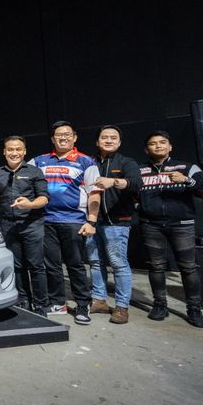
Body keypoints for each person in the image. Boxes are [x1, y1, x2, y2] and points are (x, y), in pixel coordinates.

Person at [138, 131, 203, 328]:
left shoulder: (187, 167)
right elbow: (131, 195)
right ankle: (160, 305)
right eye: (153, 143)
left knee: (188, 267)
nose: (158, 146)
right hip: (151, 224)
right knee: (156, 266)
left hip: (182, 224)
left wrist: (187, 180)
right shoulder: (140, 170)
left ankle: (194, 310)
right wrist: (140, 207)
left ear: (170, 146)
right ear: (146, 149)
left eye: (162, 142)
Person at [30, 121, 101, 324]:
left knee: (75, 265)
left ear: (75, 137)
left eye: (67, 134)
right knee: (51, 266)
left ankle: (82, 304)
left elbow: (95, 193)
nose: (63, 137)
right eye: (59, 134)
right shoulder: (39, 161)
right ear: (52, 139)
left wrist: (91, 221)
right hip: (45, 220)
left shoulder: (86, 162)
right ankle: (57, 302)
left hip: (74, 221)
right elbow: (20, 175)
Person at [0, 136, 49, 316]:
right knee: (17, 266)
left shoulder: (35, 172)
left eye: (18, 149)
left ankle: (41, 305)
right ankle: (23, 300)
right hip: (8, 225)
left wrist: (30, 204)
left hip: (32, 224)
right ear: (4, 152)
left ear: (24, 151)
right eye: (10, 149)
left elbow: (44, 198)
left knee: (36, 266)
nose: (14, 153)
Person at [86, 125, 141, 324]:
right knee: (95, 262)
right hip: (91, 221)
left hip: (117, 222)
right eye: (104, 137)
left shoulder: (126, 162)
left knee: (118, 264)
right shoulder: (89, 162)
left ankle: (121, 306)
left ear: (119, 142)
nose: (108, 140)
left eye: (113, 137)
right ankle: (99, 300)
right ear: (97, 141)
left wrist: (115, 182)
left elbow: (137, 183)